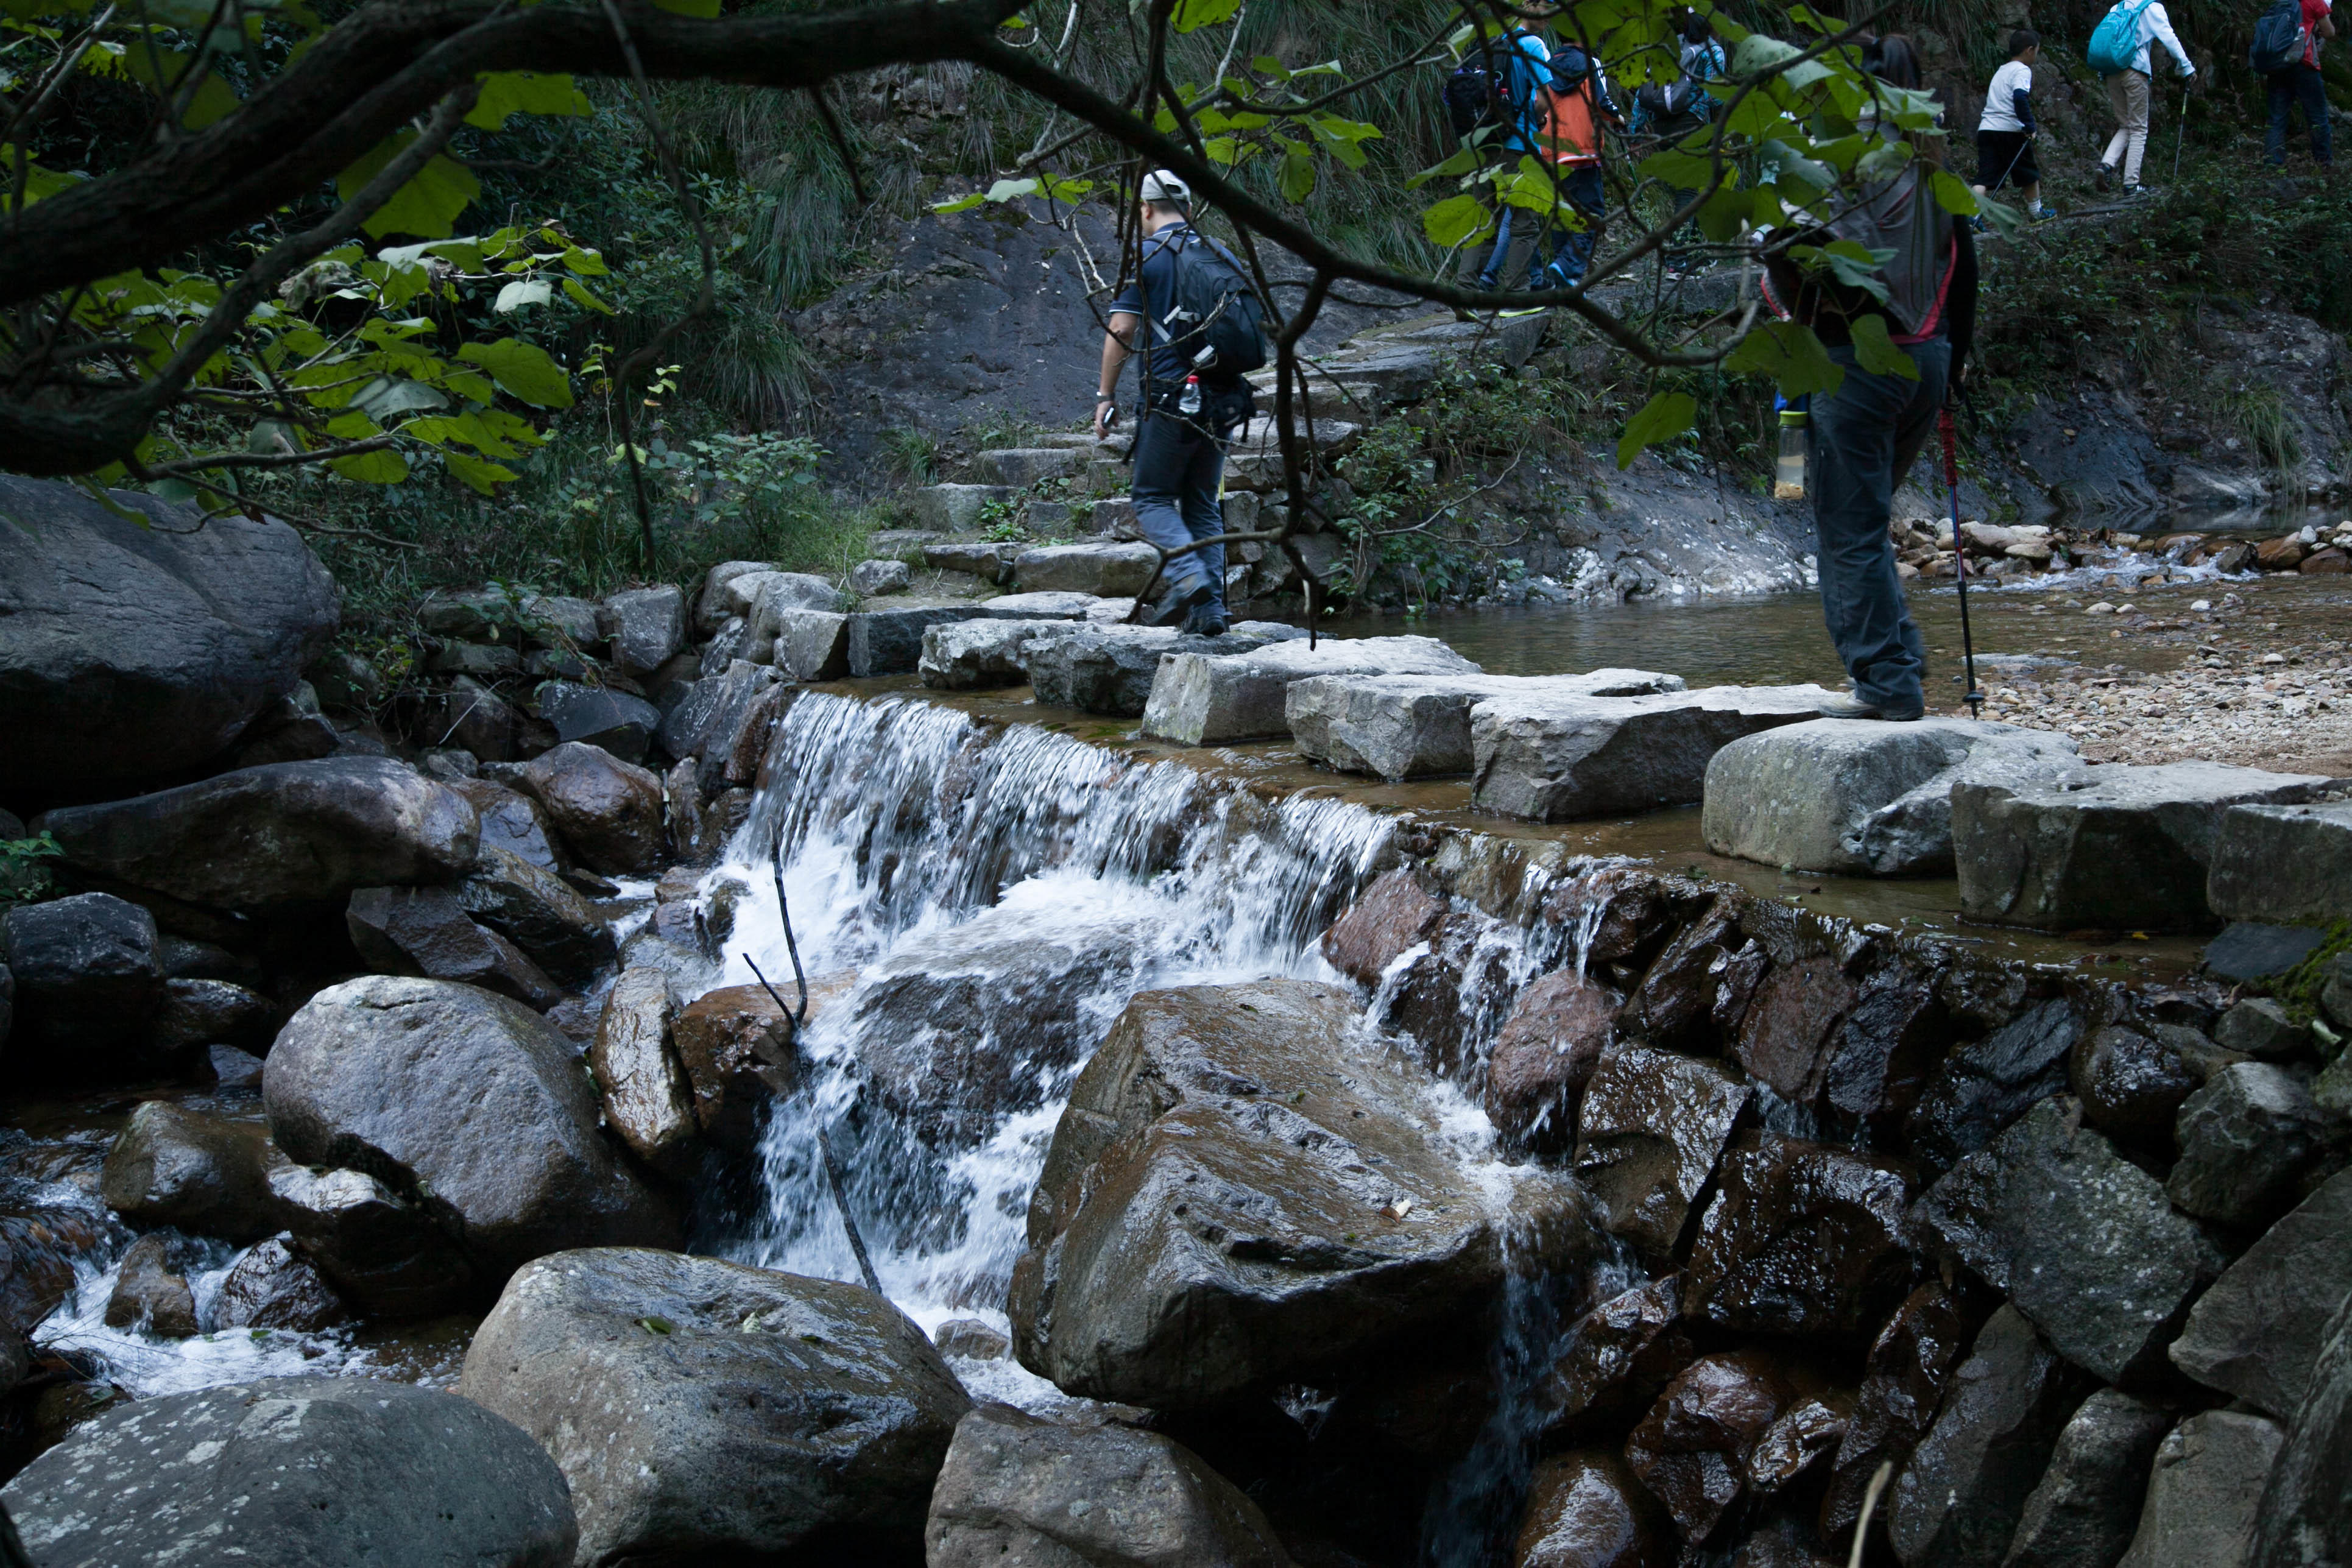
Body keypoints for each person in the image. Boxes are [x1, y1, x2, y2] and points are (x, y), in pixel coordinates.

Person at [1763, 34, 1979, 722]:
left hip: (1855, 364)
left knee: (1848, 531)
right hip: (1928, 361)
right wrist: (1953, 373)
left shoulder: (1833, 163)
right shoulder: (1928, 163)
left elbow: (1781, 250)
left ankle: (1887, 683)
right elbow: (1965, 270)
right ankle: (1899, 665)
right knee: (1862, 520)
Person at [1092, 170, 1256, 635]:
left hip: (1171, 396)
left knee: (1152, 497)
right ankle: (1211, 614)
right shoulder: (1220, 253)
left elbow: (1122, 330)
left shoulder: (1145, 255)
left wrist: (1105, 395)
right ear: (1187, 208)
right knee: (1202, 501)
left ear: (1144, 210)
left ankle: (1187, 577)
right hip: (1224, 396)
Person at [1455, 16, 1555, 291]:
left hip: (1484, 143)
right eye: (1546, 5)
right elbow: (1545, 99)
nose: (1549, 14)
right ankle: (1517, 293)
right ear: (1527, 5)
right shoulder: (1533, 45)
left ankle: (1466, 291)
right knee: (1524, 223)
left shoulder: (1491, 43)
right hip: (1518, 147)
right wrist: (1539, 119)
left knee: (1483, 220)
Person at [1528, 42, 1623, 291]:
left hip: (1550, 150)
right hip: (1582, 150)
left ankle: (1564, 277)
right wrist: (1618, 118)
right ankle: (1568, 265)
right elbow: (1602, 102)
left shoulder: (1545, 62)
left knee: (1562, 212)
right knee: (1592, 211)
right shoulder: (1590, 63)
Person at [2091, 0, 2195, 197]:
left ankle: (2106, 166)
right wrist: (2187, 67)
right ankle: (2131, 184)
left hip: (2112, 73)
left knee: (2125, 126)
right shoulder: (2151, 7)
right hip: (2135, 72)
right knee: (2139, 128)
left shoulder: (2117, 8)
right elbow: (2168, 38)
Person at [1974, 30, 2054, 219]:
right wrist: (2029, 126)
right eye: (2037, 51)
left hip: (1987, 129)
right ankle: (2037, 213)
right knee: (2028, 173)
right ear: (2029, 50)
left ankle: (1971, 218)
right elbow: (2019, 97)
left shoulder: (2001, 70)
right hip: (2009, 130)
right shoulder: (2022, 70)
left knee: (1984, 177)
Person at [2265, 0, 2336, 171]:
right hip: (2304, 64)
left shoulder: (2280, 3)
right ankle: (2324, 162)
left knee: (2277, 117)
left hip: (2279, 64)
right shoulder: (2315, 2)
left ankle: (2272, 163)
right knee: (2317, 115)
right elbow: (2329, 33)